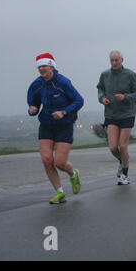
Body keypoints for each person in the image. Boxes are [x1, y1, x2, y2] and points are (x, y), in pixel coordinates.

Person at [27, 53, 84, 204]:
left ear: (52, 66)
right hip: (46, 124)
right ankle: (59, 192)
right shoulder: (37, 84)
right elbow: (33, 102)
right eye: (39, 66)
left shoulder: (63, 82)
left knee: (59, 163)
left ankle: (73, 174)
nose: (41, 69)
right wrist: (32, 109)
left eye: (44, 66)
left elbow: (79, 100)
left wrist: (64, 112)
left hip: (64, 125)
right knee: (46, 160)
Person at [97, 50, 136, 185]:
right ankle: (122, 161)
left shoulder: (130, 74)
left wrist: (126, 97)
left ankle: (125, 174)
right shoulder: (105, 75)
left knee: (122, 146)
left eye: (117, 60)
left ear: (122, 60)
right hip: (111, 114)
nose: (114, 63)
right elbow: (100, 88)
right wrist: (102, 98)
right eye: (112, 60)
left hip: (127, 114)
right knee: (113, 147)